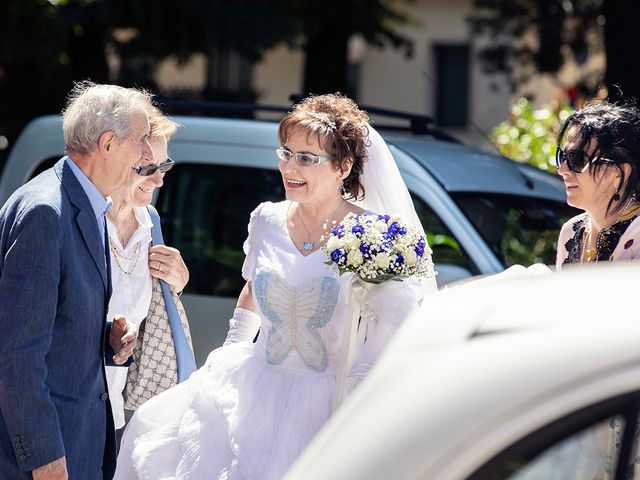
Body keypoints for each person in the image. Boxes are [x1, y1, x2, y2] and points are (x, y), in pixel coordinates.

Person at [114, 93, 436, 480]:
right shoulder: (266, 219)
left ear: (344, 166)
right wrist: (229, 353)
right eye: (286, 153)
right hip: (256, 385)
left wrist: (359, 392)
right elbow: (253, 288)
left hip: (329, 399)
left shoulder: (372, 234)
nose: (288, 166)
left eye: (306, 158)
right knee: (156, 429)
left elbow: (395, 322)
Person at [0, 82, 151, 480]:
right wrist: (44, 457)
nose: (146, 154)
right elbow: (16, 352)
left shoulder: (88, 201)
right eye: (141, 140)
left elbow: (53, 321)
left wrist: (107, 338)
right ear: (107, 143)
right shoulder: (45, 211)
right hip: (45, 457)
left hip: (78, 441)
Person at [105, 105, 190, 442]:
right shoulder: (88, 221)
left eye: (164, 165)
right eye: (148, 168)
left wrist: (177, 284)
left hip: (122, 410)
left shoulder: (149, 221)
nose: (160, 179)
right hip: (74, 406)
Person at [555, 101, 640, 268]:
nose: (562, 170)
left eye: (577, 159)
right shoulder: (570, 232)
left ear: (618, 172)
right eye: (562, 157)